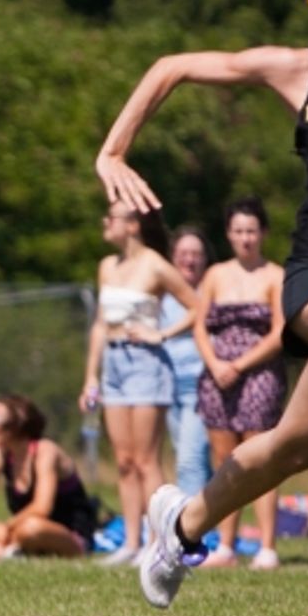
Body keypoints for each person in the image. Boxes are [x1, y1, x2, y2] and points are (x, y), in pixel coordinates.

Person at [97, 0, 308, 608]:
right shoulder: (297, 69)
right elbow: (171, 67)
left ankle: (182, 526)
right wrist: (113, 151)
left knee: (290, 450)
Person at [78, 205, 196, 565]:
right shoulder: (107, 267)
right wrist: (90, 377)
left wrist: (159, 334)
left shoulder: (156, 265)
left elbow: (196, 307)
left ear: (131, 225)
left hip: (146, 365)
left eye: (110, 217)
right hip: (114, 366)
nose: (105, 222)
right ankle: (130, 542)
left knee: (147, 460)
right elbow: (100, 324)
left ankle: (157, 543)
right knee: (125, 461)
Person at [193, 197, 287, 570]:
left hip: (260, 373)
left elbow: (280, 331)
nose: (245, 238)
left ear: (262, 233)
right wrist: (216, 364)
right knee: (224, 460)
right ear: (229, 234)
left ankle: (266, 547)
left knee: (261, 460)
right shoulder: (215, 274)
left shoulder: (275, 275)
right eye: (238, 231)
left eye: (251, 231)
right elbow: (199, 325)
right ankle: (226, 545)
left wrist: (241, 364)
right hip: (217, 374)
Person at [0, 394, 98, 559]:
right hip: (18, 530)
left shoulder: (45, 451)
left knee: (31, 528)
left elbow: (42, 508)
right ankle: (6, 556)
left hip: (65, 535)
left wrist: (11, 525)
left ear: (17, 425)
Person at [161, 227, 213, 495]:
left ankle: (190, 529)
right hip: (168, 389)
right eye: (183, 254)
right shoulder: (162, 295)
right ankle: (208, 520)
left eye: (196, 254)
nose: (189, 260)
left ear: (205, 259)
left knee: (189, 461)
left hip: (202, 387)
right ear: (172, 258)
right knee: (191, 457)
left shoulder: (211, 291)